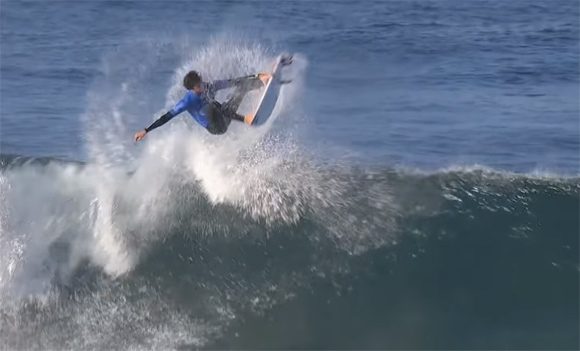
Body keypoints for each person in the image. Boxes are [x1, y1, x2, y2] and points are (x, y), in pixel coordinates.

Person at [134, 70, 270, 141]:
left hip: (225, 116)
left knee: (241, 88)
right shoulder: (187, 101)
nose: (203, 87)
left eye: (201, 83)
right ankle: (246, 119)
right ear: (192, 89)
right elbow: (167, 117)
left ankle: (262, 83)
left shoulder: (208, 86)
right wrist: (146, 130)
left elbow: (232, 81)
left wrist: (257, 76)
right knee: (212, 106)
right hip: (215, 127)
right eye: (199, 86)